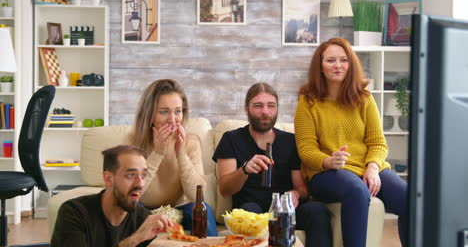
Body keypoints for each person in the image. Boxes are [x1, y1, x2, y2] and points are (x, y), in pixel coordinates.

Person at [294, 38, 408, 247]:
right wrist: (329, 161)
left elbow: (378, 143)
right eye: (330, 60)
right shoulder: (307, 102)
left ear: (351, 64)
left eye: (343, 60)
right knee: (357, 190)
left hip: (367, 168)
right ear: (320, 66)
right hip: (326, 173)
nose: (337, 65)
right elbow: (306, 149)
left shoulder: (364, 98)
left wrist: (373, 168)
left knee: (409, 199)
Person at [213, 82, 332, 247]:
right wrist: (245, 169)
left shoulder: (290, 141)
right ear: (246, 109)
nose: (265, 112)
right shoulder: (231, 139)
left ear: (277, 109)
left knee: (317, 210)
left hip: (284, 210)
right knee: (249, 211)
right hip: (251, 210)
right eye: (258, 106)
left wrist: (295, 194)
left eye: (271, 106)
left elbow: (302, 189)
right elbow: (225, 189)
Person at [128, 79, 218, 236]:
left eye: (177, 111)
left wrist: (180, 154)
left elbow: (196, 195)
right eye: (164, 112)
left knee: (204, 209)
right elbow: (130, 195)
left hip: (177, 210)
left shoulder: (190, 142)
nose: (172, 119)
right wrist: (157, 154)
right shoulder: (131, 141)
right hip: (142, 209)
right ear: (149, 114)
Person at [51, 145, 173, 247]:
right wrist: (134, 240)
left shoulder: (143, 219)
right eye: (130, 175)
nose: (140, 184)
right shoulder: (74, 212)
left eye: (143, 175)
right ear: (108, 179)